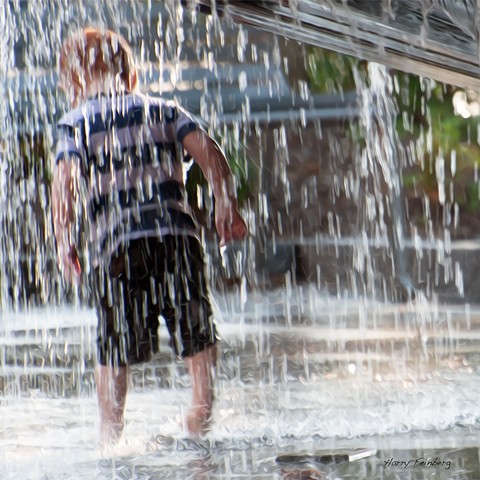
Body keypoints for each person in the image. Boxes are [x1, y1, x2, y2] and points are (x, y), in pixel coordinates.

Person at [51, 27, 248, 445]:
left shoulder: (75, 124)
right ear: (131, 75)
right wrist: (225, 203)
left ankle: (110, 434)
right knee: (196, 334)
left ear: (72, 82)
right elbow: (209, 150)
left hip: (118, 247)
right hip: (177, 240)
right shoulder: (164, 110)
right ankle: (200, 411)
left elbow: (64, 184)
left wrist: (63, 239)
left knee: (113, 344)